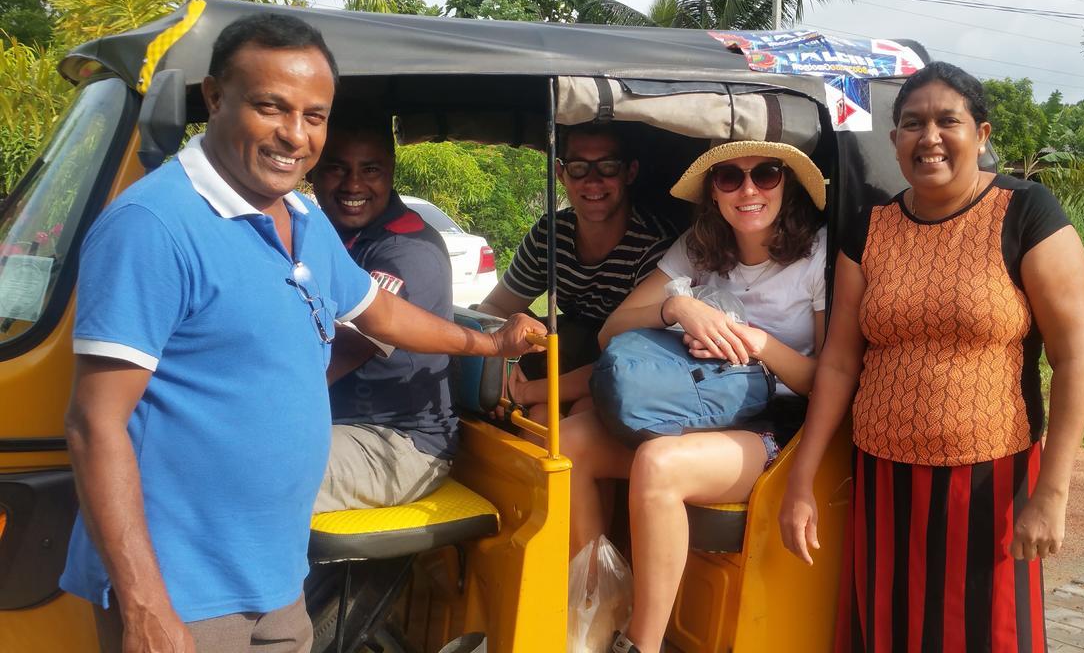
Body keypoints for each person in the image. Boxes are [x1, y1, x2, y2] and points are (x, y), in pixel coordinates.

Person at [60, 13, 543, 653]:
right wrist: (146, 607)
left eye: (314, 116)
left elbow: (380, 312)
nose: (295, 135)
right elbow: (95, 425)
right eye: (271, 107)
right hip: (184, 592)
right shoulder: (153, 225)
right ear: (215, 98)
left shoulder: (302, 218)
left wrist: (488, 344)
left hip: (276, 580)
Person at [778, 62, 1084, 652]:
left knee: (986, 635)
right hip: (884, 480)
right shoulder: (869, 227)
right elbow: (842, 361)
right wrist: (801, 479)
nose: (929, 137)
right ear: (894, 139)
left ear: (982, 133)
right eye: (911, 123)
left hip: (991, 482)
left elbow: (1075, 358)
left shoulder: (1026, 213)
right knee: (889, 631)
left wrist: (1051, 492)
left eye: (947, 121)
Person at [560, 141, 829, 653]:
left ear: (786, 184)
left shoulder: (816, 256)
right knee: (569, 440)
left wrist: (758, 343)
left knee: (660, 464)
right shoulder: (698, 248)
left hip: (775, 424)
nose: (748, 190)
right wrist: (677, 308)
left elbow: (825, 379)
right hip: (697, 400)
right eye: (729, 178)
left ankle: (643, 643)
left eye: (766, 174)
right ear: (713, 191)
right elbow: (609, 332)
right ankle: (594, 610)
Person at [307, 114, 460, 513]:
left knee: (247, 471)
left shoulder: (406, 250)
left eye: (370, 169)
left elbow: (341, 353)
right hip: (332, 423)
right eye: (337, 168)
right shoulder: (323, 233)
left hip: (397, 442)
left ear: (390, 171)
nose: (353, 185)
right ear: (315, 171)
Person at [476, 123, 678, 418]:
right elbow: (493, 307)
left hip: (622, 367)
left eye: (607, 167)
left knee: (576, 411)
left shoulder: (654, 247)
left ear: (629, 173)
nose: (593, 182)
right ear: (561, 173)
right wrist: (503, 359)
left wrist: (526, 391)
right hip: (568, 350)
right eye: (579, 168)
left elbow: (634, 362)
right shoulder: (550, 233)